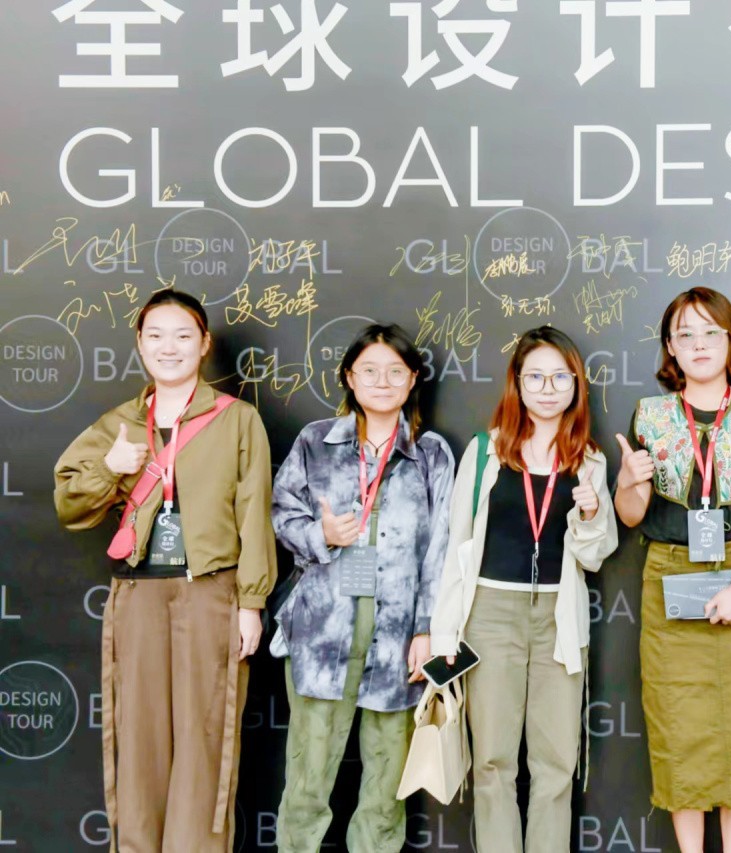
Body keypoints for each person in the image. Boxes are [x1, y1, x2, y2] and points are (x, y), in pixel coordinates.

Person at [54, 289, 276, 852]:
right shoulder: (120, 423)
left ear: (204, 344)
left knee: (205, 738)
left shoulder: (238, 420)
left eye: (182, 335)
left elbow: (254, 513)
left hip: (210, 593)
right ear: (140, 344)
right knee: (140, 737)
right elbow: (69, 504)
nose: (168, 347)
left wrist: (251, 603)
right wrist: (110, 468)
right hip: (139, 593)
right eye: (155, 335)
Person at [613, 287, 731, 853]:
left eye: (710, 332)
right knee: (679, 723)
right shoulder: (650, 417)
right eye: (685, 334)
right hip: (668, 573)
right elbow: (631, 516)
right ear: (670, 347)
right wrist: (628, 482)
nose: (698, 344)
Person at [431, 325, 617, 853]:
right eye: (535, 376)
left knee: (556, 763)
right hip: (490, 613)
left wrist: (589, 513)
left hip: (559, 616)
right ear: (517, 382)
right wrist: (444, 633)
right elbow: (457, 547)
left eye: (560, 376)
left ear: (576, 384)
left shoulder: (589, 459)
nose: (548, 388)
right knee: (492, 761)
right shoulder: (485, 452)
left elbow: (594, 555)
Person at [270, 323, 454, 853]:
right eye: (369, 370)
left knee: (386, 782)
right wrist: (321, 535)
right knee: (308, 775)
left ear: (413, 379)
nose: (382, 381)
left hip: (398, 632)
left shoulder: (431, 454)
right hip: (322, 628)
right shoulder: (316, 441)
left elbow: (440, 550)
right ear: (349, 377)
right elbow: (282, 514)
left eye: (395, 371)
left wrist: (427, 629)